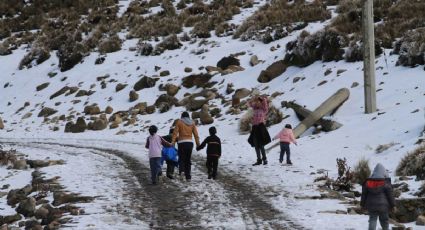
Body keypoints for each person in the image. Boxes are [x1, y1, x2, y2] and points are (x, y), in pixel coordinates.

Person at [360, 163, 395, 230]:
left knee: (372, 219)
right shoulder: (385, 183)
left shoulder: (368, 182)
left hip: (372, 205)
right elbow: (390, 195)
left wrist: (362, 205)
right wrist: (393, 205)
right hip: (383, 206)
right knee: (384, 220)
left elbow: (364, 195)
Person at [172, 112, 200, 181]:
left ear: (182, 116)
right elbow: (196, 135)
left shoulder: (179, 122)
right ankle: (188, 177)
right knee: (188, 160)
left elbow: (175, 133)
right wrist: (198, 144)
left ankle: (181, 171)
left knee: (181, 158)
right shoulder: (192, 123)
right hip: (189, 143)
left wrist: (173, 142)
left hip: (181, 143)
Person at [247, 95, 271, 166]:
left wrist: (262, 99)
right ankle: (259, 160)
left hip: (261, 128)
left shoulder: (263, 110)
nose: (257, 103)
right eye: (256, 102)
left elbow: (265, 104)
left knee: (261, 145)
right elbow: (249, 103)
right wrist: (253, 99)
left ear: (261, 102)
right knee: (256, 145)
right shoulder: (255, 109)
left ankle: (265, 159)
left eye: (258, 102)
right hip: (254, 128)